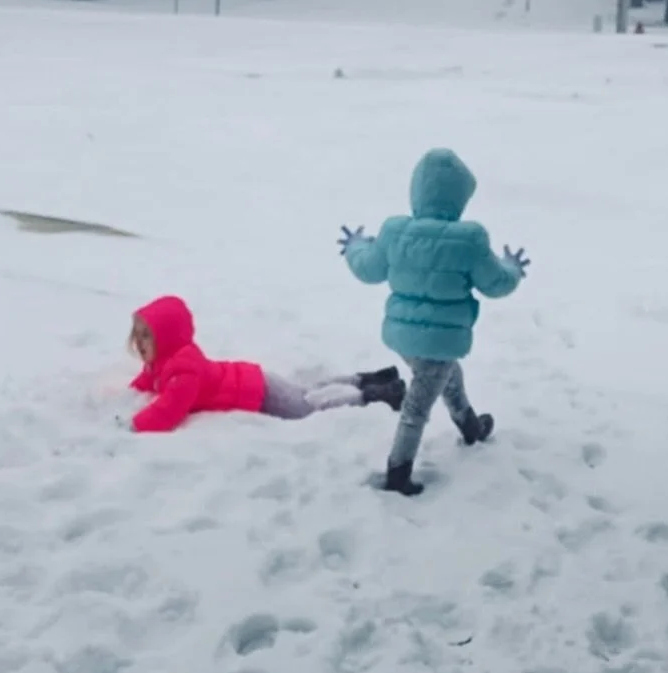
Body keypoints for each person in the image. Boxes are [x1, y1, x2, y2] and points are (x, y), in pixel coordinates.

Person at [341, 148, 529, 496]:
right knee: (417, 407)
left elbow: (368, 269)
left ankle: (470, 426)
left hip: (402, 337)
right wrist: (513, 269)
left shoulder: (395, 231)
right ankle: (398, 473)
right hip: (440, 341)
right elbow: (496, 284)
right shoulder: (469, 239)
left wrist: (353, 247)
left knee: (445, 375)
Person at [125, 295, 404, 434]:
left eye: (146, 336)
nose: (139, 343)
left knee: (308, 407)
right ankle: (365, 378)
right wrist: (130, 390)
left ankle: (372, 395)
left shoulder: (182, 371)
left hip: (257, 393)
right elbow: (151, 379)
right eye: (137, 336)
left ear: (168, 338)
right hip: (255, 379)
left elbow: (169, 410)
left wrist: (136, 424)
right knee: (306, 390)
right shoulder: (168, 360)